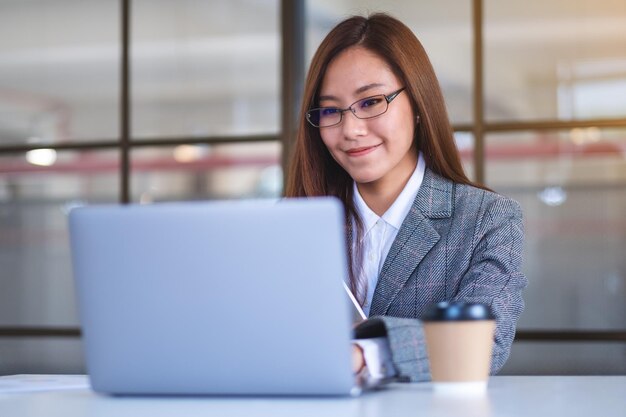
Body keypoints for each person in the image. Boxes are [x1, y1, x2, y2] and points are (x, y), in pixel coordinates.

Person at [285, 12, 527, 382]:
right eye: (331, 110)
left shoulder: (487, 219)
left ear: (416, 104)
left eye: (371, 102)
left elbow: (482, 344)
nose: (350, 129)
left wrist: (364, 355)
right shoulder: (294, 223)